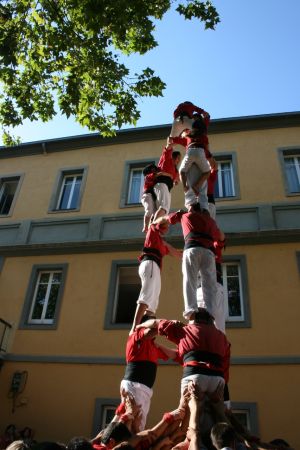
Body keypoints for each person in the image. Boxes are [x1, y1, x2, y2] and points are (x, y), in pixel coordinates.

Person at [136, 308, 231, 427]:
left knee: (186, 417)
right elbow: (225, 367)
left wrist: (139, 325)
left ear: (194, 319)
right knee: (217, 420)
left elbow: (156, 323)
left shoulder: (185, 330)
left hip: (195, 376)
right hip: (218, 380)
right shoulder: (222, 337)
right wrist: (223, 385)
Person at [155, 203, 224, 320]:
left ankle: (191, 311)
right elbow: (221, 236)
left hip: (192, 248)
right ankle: (211, 313)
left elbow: (165, 218)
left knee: (189, 280)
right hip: (208, 253)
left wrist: (154, 223)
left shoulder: (185, 215)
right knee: (209, 284)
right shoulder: (211, 221)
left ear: (192, 209)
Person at [122, 314, 178, 432]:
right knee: (132, 425)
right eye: (152, 322)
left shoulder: (153, 345)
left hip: (144, 389)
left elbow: (174, 355)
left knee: (138, 426)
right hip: (135, 385)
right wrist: (167, 325)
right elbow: (149, 331)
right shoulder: (136, 335)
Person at [130, 221, 181, 333]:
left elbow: (178, 254)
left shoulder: (162, 244)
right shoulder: (153, 231)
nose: (168, 227)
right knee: (147, 296)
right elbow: (159, 219)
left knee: (153, 303)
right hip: (150, 263)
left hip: (154, 267)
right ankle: (134, 327)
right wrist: (170, 217)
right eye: (166, 225)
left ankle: (145, 327)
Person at [169, 119, 215, 210]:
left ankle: (185, 187)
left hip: (190, 151)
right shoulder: (204, 136)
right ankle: (197, 185)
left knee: (182, 171)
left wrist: (171, 140)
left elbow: (176, 140)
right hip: (200, 151)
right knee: (207, 171)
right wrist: (209, 156)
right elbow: (206, 150)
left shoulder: (188, 134)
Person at [152, 145, 181, 222]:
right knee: (164, 207)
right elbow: (167, 149)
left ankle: (155, 226)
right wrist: (171, 144)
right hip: (162, 184)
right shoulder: (168, 160)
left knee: (164, 211)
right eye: (178, 158)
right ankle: (153, 227)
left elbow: (176, 180)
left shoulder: (175, 170)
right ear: (173, 157)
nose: (179, 160)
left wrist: (176, 181)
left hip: (166, 188)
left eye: (179, 159)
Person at [141, 163, 159, 233]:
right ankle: (145, 227)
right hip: (147, 195)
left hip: (152, 197)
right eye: (153, 170)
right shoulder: (148, 177)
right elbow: (156, 175)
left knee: (155, 214)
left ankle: (150, 226)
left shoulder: (153, 178)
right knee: (149, 211)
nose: (155, 171)